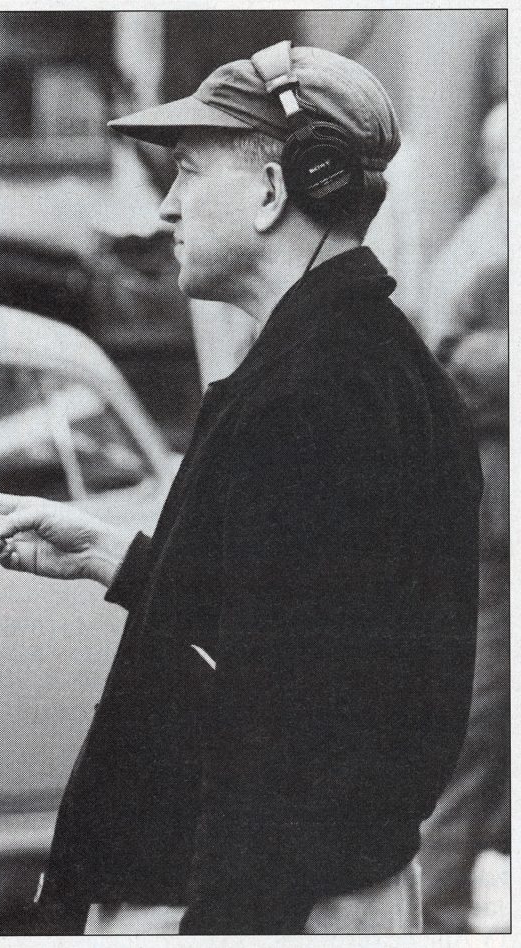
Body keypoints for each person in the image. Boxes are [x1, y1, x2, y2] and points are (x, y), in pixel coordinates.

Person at [0, 41, 482, 935]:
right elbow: (287, 623)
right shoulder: (357, 363)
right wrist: (120, 558)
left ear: (275, 191)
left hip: (250, 901)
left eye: (188, 173)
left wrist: (228, 923)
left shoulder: (318, 389)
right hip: (298, 889)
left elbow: (294, 718)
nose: (165, 206)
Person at [418, 100, 508, 933]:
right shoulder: (486, 253)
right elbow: (448, 366)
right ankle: (439, 914)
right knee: (479, 727)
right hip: (493, 533)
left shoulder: (485, 244)